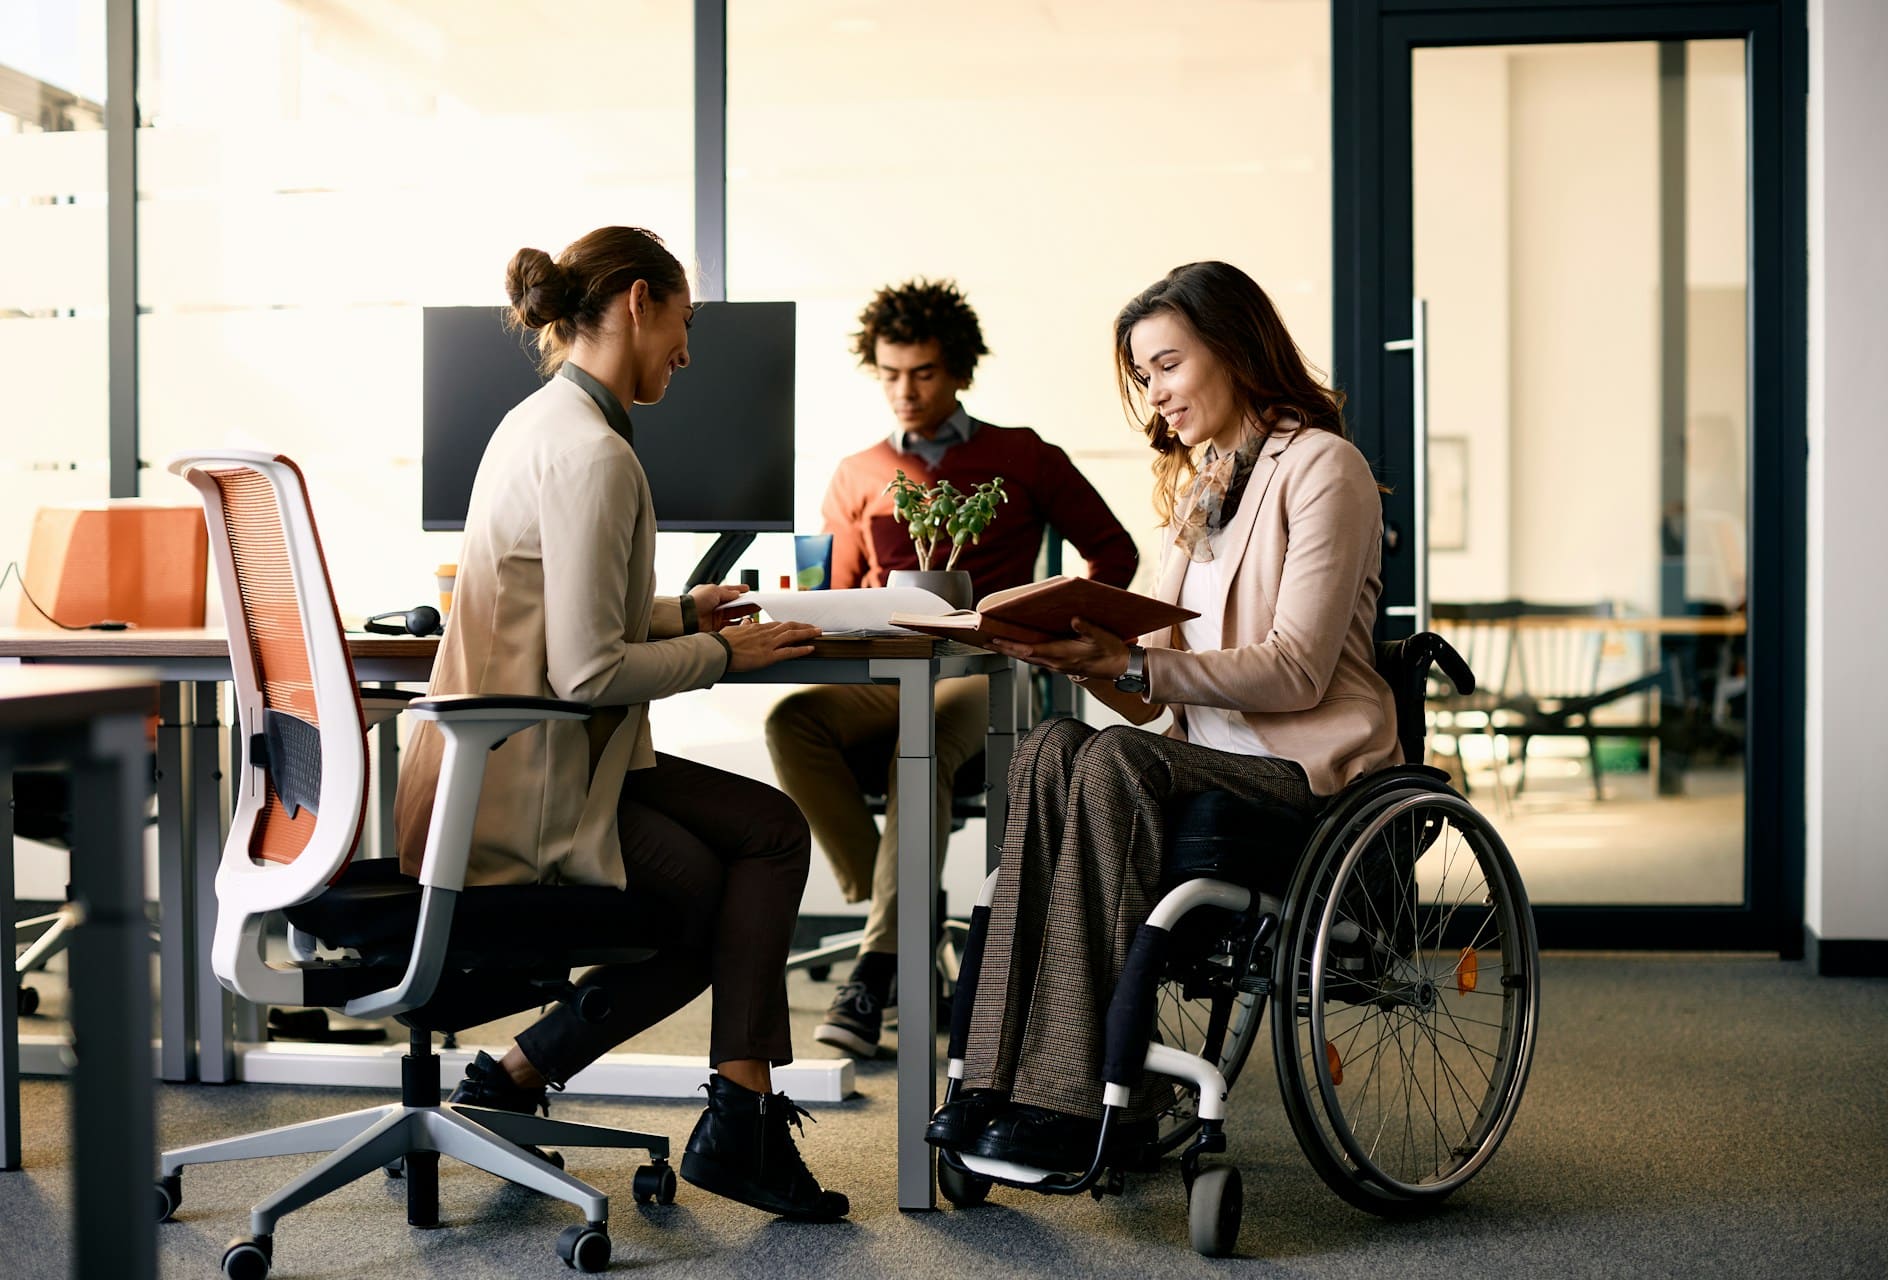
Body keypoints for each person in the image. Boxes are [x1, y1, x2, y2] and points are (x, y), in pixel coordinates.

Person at [392, 225, 848, 1221]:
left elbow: (569, 618)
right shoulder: (594, 453)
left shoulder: (539, 421)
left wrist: (685, 614)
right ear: (640, 301)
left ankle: (533, 1077)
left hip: (515, 757)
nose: (687, 353)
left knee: (760, 843)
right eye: (683, 324)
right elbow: (591, 666)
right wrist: (727, 655)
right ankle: (738, 1119)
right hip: (535, 781)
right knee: (728, 884)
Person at [924, 261, 1403, 1169]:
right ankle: (990, 1077)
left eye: (1168, 367)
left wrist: (1136, 661)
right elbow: (1154, 679)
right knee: (1053, 746)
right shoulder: (1203, 486)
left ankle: (1075, 1100)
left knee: (1109, 766)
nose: (1156, 397)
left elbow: (1297, 671)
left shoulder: (1323, 468)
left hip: (1302, 772)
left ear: (1234, 347)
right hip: (1199, 755)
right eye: (1144, 377)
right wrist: (1071, 655)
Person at [764, 277, 1138, 1058]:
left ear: (960, 370)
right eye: (890, 374)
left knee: (924, 735)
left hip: (990, 673)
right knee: (790, 720)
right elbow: (839, 586)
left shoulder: (1024, 455)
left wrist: (1046, 623)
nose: (904, 391)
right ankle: (903, 922)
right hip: (887, 676)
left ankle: (876, 967)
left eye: (923, 373)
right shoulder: (857, 473)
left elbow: (1115, 553)